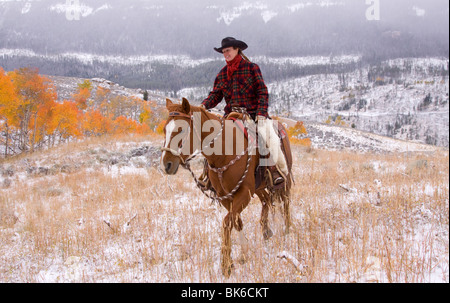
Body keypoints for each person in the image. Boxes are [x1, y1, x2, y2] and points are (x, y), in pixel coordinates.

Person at [200, 37, 288, 186]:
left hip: (254, 115)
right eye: (223, 52)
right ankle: (209, 176)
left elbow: (262, 91)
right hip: (232, 116)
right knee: (212, 139)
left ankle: (276, 171)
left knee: (268, 137)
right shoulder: (222, 74)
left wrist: (261, 113)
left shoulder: (251, 68)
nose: (225, 54)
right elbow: (216, 95)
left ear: (236, 49)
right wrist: (203, 105)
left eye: (228, 50)